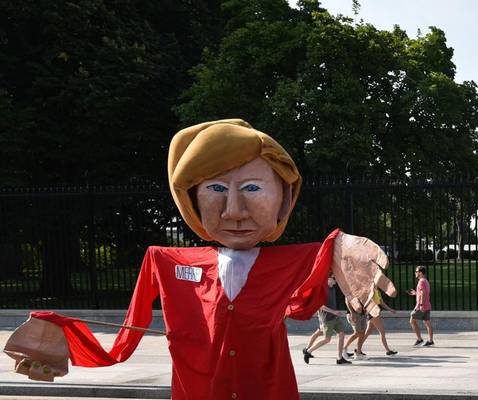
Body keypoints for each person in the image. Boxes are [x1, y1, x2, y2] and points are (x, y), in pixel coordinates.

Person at [7, 120, 397, 399]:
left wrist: (343, 247)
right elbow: (129, 332)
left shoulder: (292, 260)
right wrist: (63, 338)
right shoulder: (165, 260)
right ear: (191, 199)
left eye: (251, 188)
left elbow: (310, 290)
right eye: (214, 189)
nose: (234, 211)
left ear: (283, 197)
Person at [303, 276, 352, 365]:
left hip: (335, 317)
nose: (336, 280)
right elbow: (320, 306)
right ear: (328, 279)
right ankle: (308, 351)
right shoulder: (323, 290)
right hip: (327, 319)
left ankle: (339, 358)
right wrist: (333, 312)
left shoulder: (332, 289)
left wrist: (335, 313)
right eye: (334, 278)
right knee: (327, 339)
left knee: (341, 334)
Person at [346, 288, 399, 359]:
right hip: (372, 313)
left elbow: (381, 302)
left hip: (375, 312)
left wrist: (390, 309)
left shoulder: (377, 291)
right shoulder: (369, 290)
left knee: (367, 332)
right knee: (382, 331)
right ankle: (388, 350)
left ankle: (358, 349)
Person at [408, 265, 434, 346]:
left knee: (412, 320)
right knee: (427, 323)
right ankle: (430, 340)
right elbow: (423, 292)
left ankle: (419, 339)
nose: (415, 273)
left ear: (420, 272)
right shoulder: (425, 281)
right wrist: (416, 293)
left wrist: (421, 305)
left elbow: (423, 293)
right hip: (427, 305)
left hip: (421, 306)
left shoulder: (421, 281)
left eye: (416, 271)